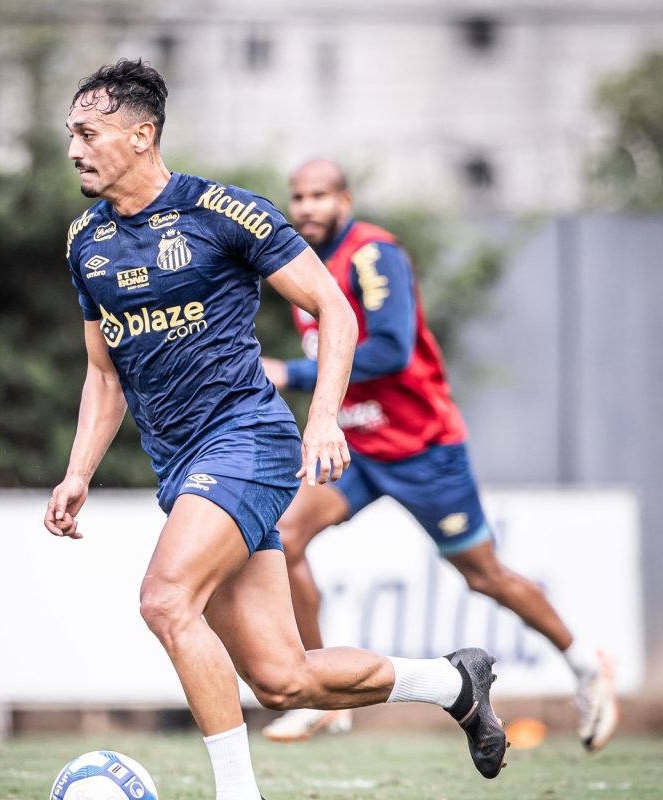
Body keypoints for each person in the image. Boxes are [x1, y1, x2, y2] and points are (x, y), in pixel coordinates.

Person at [45, 59, 507, 800]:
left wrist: (323, 416)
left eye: (88, 132)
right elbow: (104, 375)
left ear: (141, 135)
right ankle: (456, 683)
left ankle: (239, 795)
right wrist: (78, 473)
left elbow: (336, 309)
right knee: (282, 679)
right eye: (70, 132)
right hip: (182, 466)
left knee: (165, 600)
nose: (73, 148)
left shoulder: (225, 212)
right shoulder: (85, 244)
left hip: (248, 442)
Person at [259, 158, 619, 752]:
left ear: (344, 200)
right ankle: (321, 693)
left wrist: (289, 372)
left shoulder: (374, 255)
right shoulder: (307, 269)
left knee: (485, 576)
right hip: (359, 449)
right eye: (298, 196)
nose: (306, 208)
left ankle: (586, 665)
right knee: (282, 536)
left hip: (423, 449)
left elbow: (394, 351)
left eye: (319, 195)